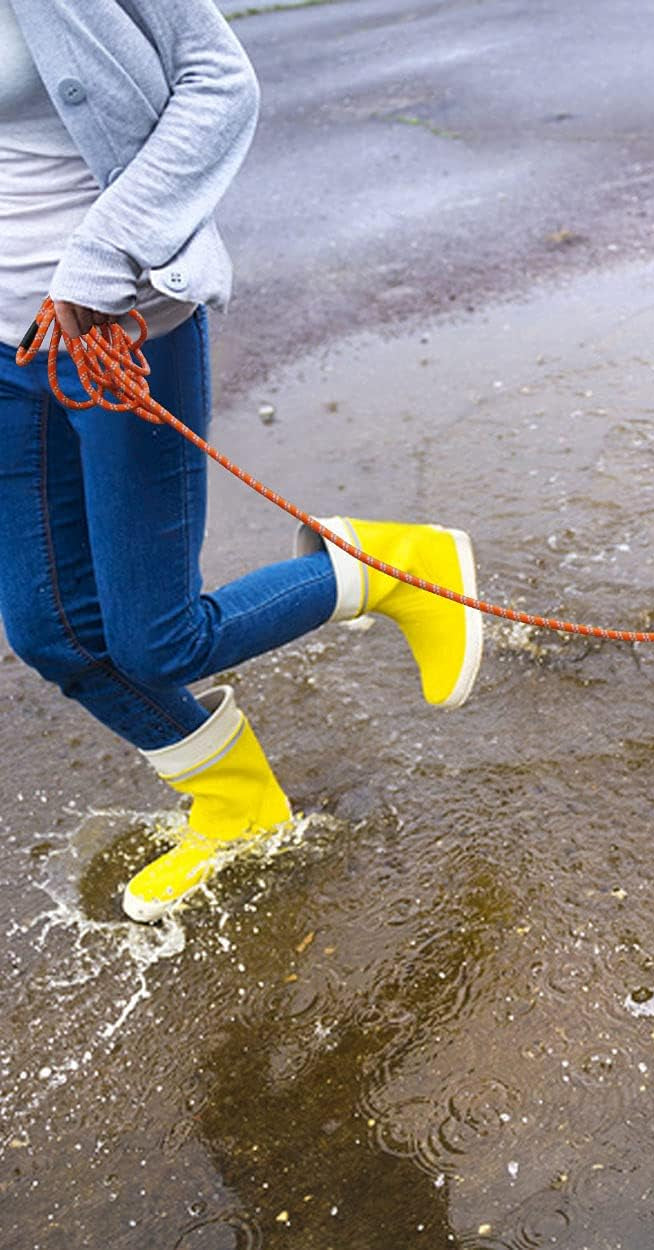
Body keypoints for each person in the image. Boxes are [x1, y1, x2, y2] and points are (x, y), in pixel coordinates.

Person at [0, 0, 482, 923]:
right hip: (5, 358)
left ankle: (392, 567)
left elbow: (220, 81)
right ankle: (237, 802)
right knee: (50, 629)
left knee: (155, 637)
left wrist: (102, 261)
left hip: (121, 324)